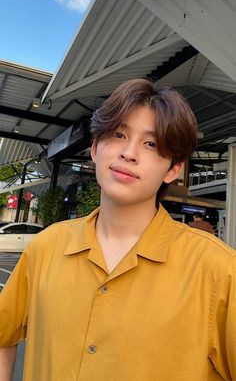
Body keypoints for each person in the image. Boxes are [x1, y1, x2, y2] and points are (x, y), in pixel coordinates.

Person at [0, 78, 235, 381]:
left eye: (151, 143)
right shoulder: (46, 247)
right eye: (119, 134)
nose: (129, 152)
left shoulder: (218, 271)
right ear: (95, 148)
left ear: (173, 169)